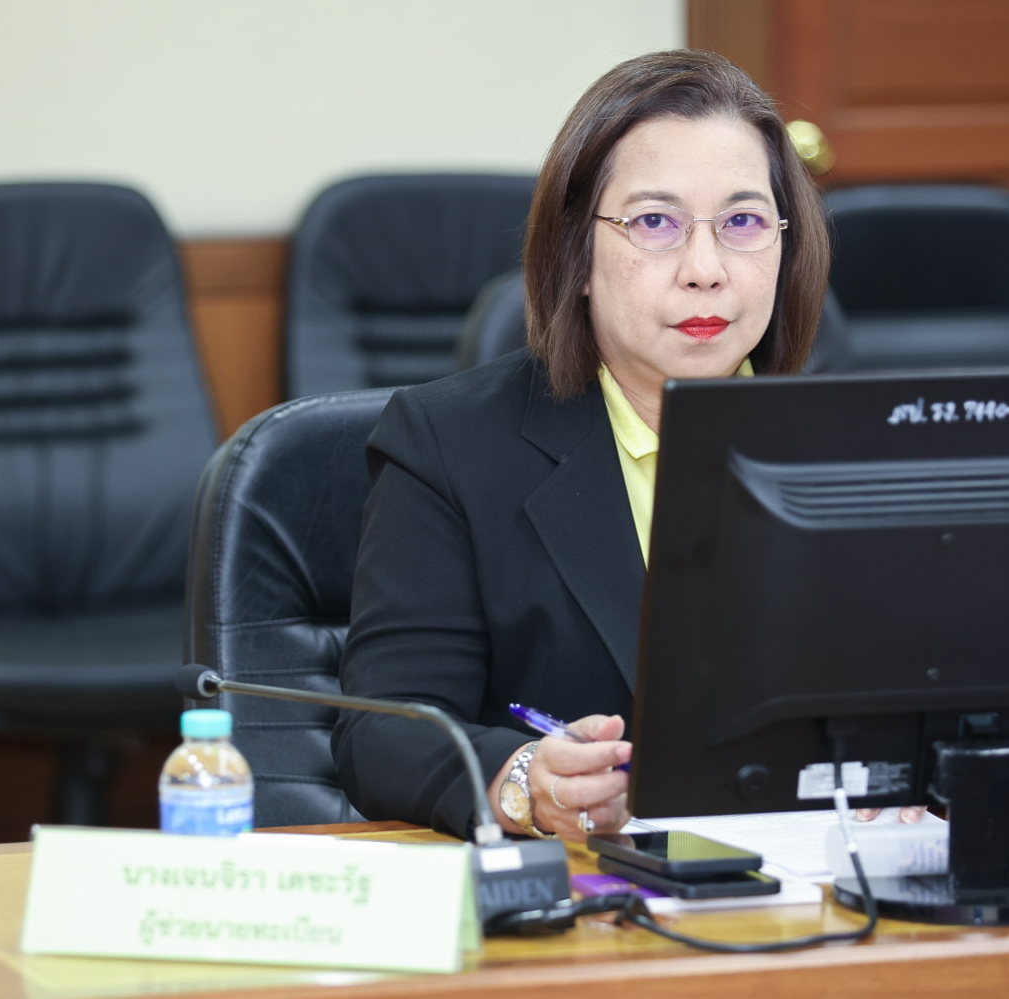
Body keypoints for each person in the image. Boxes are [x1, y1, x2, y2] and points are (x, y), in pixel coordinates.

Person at [332, 49, 828, 842]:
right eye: (656, 223)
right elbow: (385, 730)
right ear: (578, 254)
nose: (706, 270)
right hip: (590, 886)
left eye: (742, 222)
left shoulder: (854, 442)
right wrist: (524, 779)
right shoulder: (449, 445)